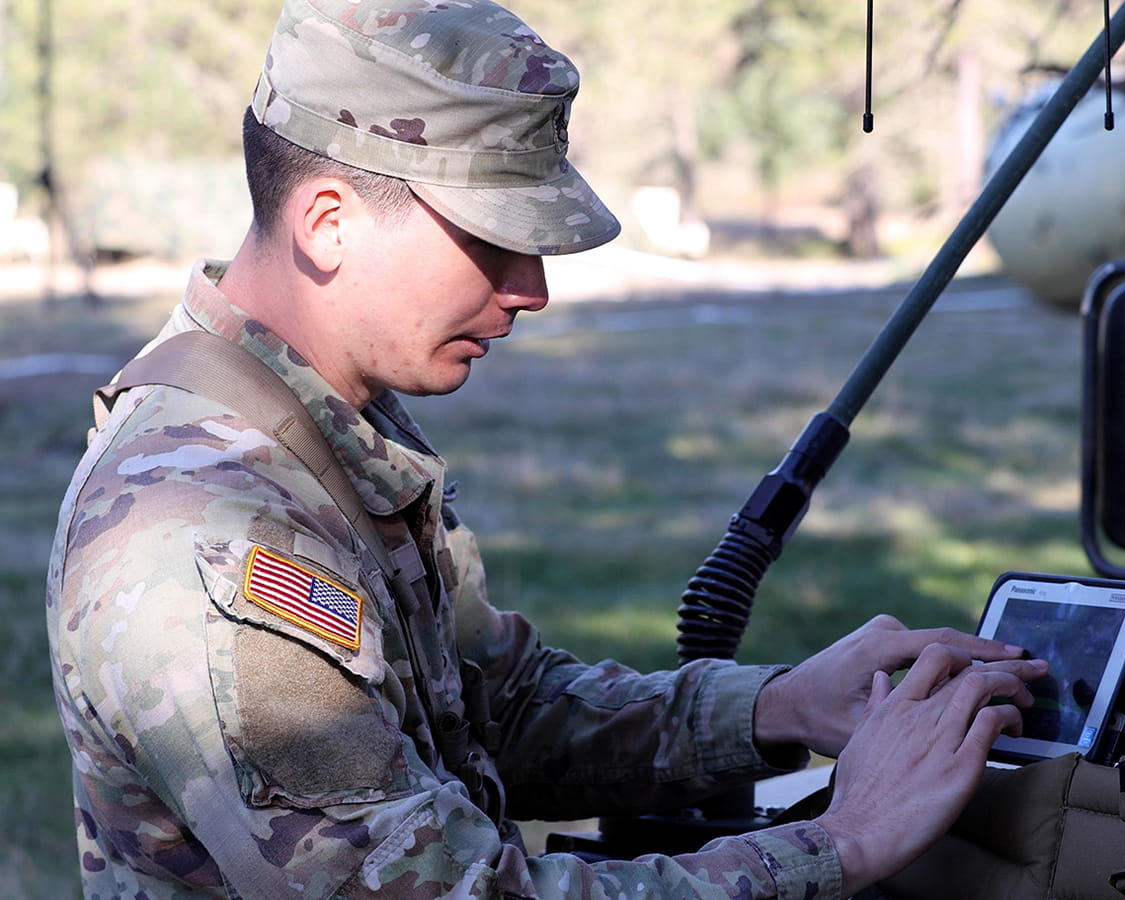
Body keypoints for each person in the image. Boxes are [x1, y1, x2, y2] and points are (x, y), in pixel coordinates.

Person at [45, 1, 1047, 897]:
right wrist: (850, 838)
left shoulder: (319, 428)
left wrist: (781, 707)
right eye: (492, 237)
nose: (532, 287)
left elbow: (496, 714)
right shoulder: (206, 531)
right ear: (328, 223)